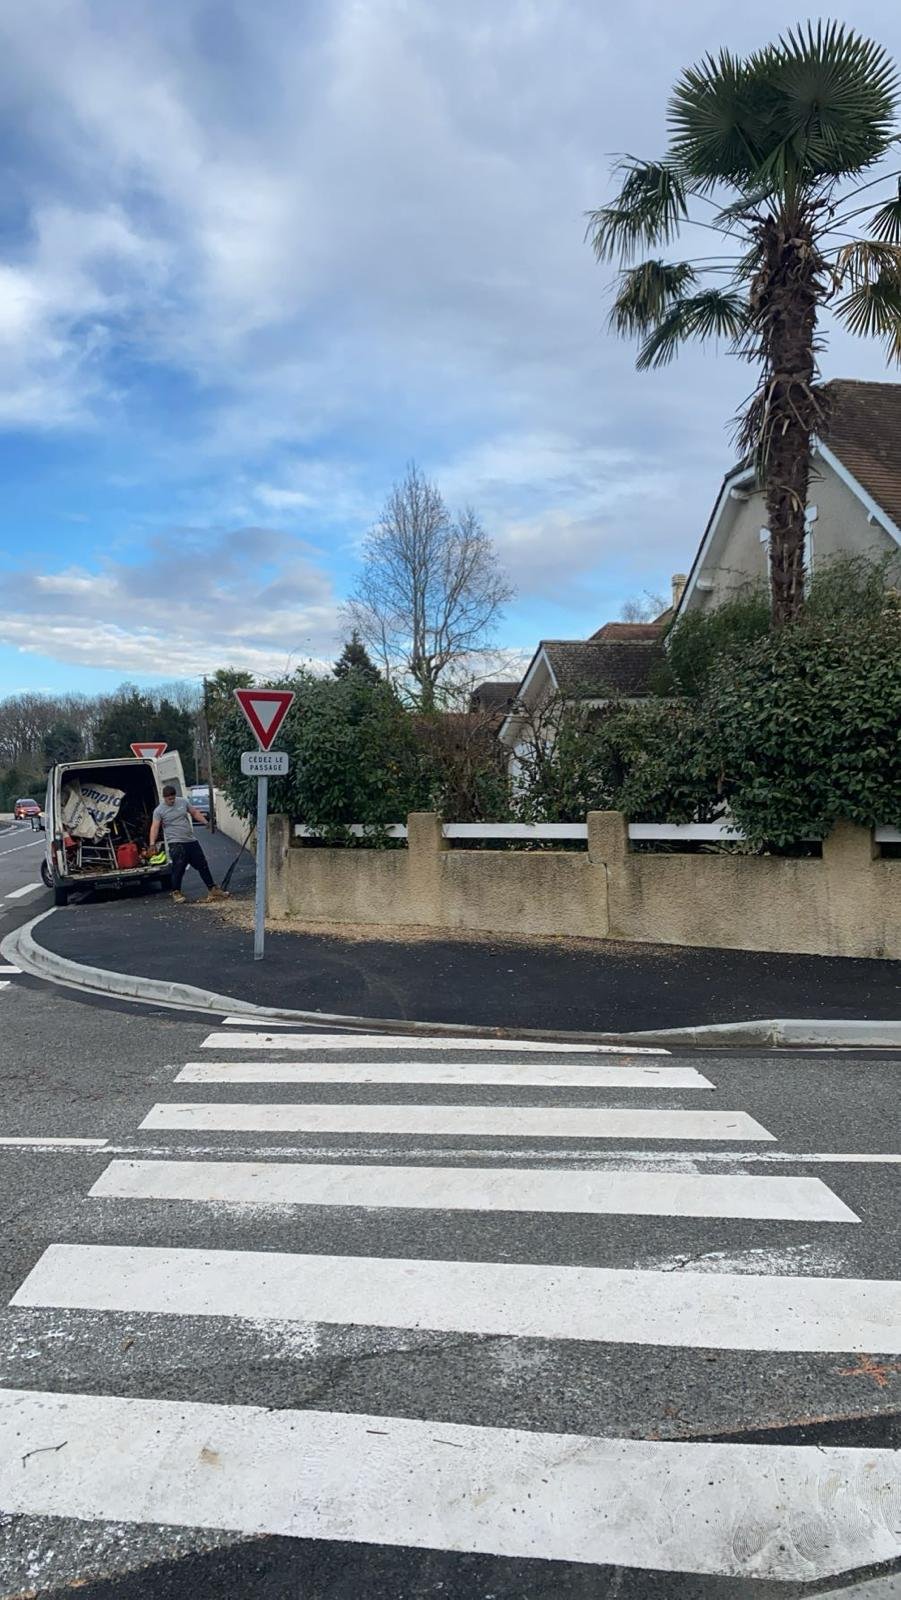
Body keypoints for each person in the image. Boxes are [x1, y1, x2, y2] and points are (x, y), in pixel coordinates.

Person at [149, 784, 229, 905]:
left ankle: (213, 889)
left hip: (190, 840)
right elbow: (155, 827)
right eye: (169, 799)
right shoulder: (159, 810)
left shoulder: (183, 802)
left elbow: (194, 812)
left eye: (173, 798)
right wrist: (152, 843)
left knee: (202, 864)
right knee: (178, 867)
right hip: (175, 842)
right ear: (164, 798)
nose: (172, 801)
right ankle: (176, 892)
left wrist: (206, 822)